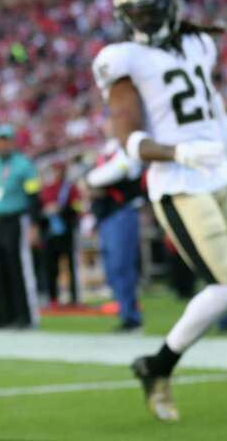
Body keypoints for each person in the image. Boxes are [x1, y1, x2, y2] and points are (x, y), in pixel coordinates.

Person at [92, 0, 227, 422]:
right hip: (177, 183)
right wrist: (177, 153)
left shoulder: (199, 45)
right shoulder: (122, 59)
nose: (145, 21)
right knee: (225, 288)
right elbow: (129, 141)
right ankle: (158, 366)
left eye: (150, 10)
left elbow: (218, 121)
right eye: (136, 13)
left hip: (222, 173)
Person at [83, 141, 145, 331]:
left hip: (122, 214)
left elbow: (104, 176)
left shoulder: (126, 151)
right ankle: (125, 313)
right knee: (112, 268)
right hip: (107, 216)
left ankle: (131, 316)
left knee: (121, 265)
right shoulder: (107, 152)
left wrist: (92, 180)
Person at [0, 124, 41, 328]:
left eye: (6, 140)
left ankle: (25, 317)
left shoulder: (23, 165)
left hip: (17, 218)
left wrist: (34, 224)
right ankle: (5, 315)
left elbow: (33, 196)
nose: (3, 144)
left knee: (19, 268)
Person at [40, 161, 83, 306]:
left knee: (71, 264)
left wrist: (62, 209)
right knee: (51, 266)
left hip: (67, 230)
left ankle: (74, 297)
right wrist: (46, 211)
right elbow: (39, 208)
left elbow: (78, 206)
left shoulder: (70, 188)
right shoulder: (46, 189)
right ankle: (53, 298)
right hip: (50, 233)